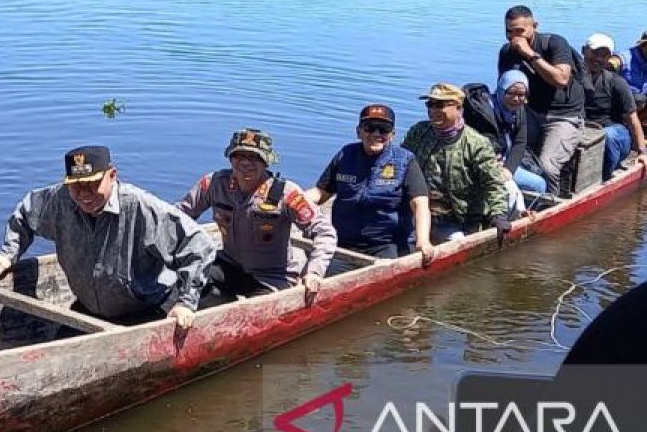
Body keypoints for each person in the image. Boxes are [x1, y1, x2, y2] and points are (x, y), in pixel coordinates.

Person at [0, 146, 215, 331]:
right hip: (89, 309)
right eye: (76, 186)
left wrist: (186, 303)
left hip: (148, 308)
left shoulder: (139, 206)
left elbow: (199, 245)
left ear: (112, 175)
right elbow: (24, 215)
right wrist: (8, 255)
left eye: (92, 184)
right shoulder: (59, 200)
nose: (84, 193)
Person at [177, 129, 336, 305]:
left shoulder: (286, 194)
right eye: (239, 156)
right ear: (230, 158)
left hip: (272, 277)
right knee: (180, 280)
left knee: (257, 308)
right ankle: (221, 299)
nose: (245, 163)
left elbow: (324, 232)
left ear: (266, 162)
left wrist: (314, 271)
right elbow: (178, 216)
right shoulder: (213, 184)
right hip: (229, 264)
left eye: (254, 157)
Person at [304, 105, 434, 263]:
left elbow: (420, 203)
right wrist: (294, 199)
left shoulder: (405, 160)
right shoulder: (345, 155)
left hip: (387, 245)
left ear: (392, 135)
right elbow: (321, 192)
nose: (376, 134)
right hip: (342, 242)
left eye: (383, 129)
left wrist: (423, 241)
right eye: (370, 128)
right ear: (359, 131)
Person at [402, 83, 509, 244]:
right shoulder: (419, 131)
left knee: (455, 241)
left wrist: (498, 215)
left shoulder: (477, 144)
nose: (433, 110)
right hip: (417, 210)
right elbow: (401, 162)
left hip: (456, 220)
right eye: (430, 105)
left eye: (440, 105)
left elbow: (493, 183)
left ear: (458, 108)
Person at [497, 5, 586, 194]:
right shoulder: (507, 52)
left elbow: (561, 79)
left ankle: (551, 202)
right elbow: (503, 90)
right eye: (509, 32)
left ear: (534, 26)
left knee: (547, 166)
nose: (515, 37)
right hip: (529, 112)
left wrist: (530, 54)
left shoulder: (554, 44)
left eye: (520, 31)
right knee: (505, 156)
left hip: (563, 116)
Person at [462, 70, 548, 197]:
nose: (516, 99)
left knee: (540, 183)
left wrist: (509, 169)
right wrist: (492, 162)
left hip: (505, 162)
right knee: (536, 186)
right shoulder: (483, 112)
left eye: (521, 95)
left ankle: (524, 208)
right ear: (501, 90)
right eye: (511, 93)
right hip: (483, 164)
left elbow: (520, 143)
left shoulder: (519, 112)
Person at [581, 33, 647, 179]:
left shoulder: (616, 83)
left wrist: (642, 152)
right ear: (583, 51)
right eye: (595, 53)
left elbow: (632, 119)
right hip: (583, 128)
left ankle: (604, 177)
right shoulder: (572, 78)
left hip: (615, 131)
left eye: (604, 55)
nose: (599, 58)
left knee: (608, 135)